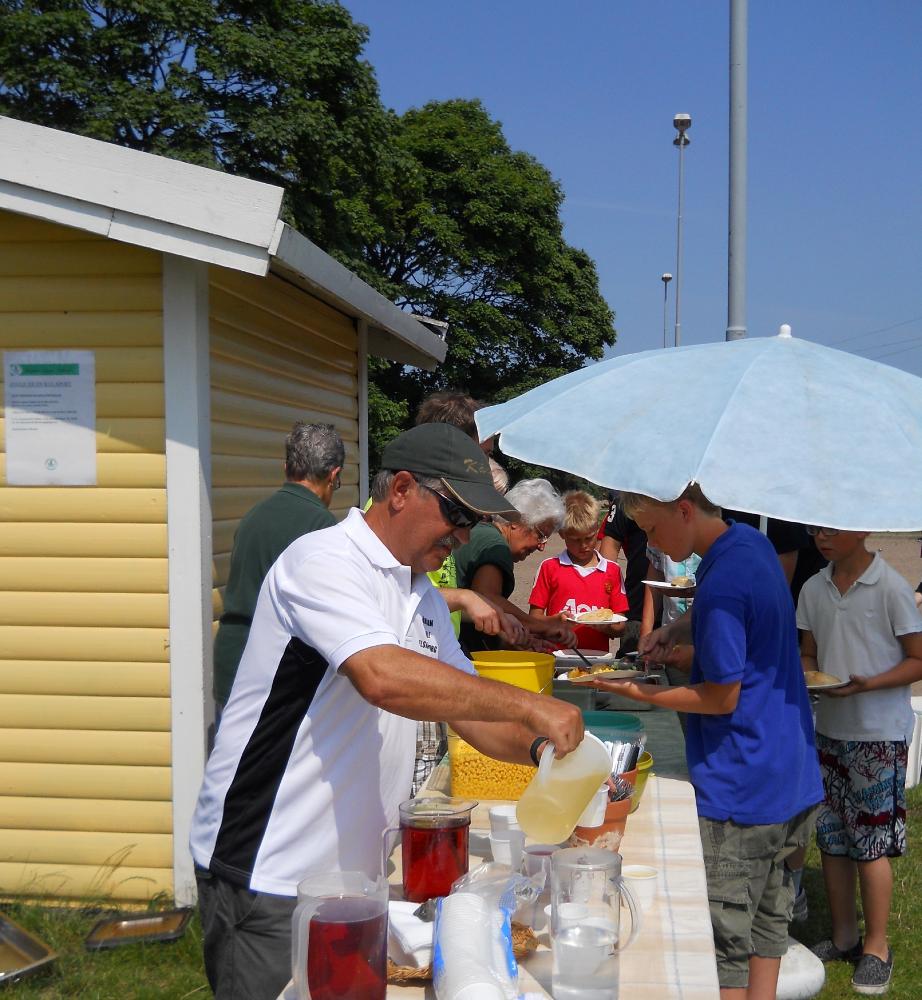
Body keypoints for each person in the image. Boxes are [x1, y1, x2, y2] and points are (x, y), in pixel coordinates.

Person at [190, 423, 584, 1000]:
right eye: (456, 512)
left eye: (474, 521)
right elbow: (382, 676)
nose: (462, 534)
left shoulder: (419, 592)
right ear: (401, 488)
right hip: (271, 872)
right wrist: (530, 705)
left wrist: (544, 750)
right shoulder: (322, 559)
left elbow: (466, 708)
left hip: (355, 882)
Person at [589, 485, 823, 999]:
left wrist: (640, 691)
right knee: (769, 922)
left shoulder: (723, 582)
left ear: (685, 511)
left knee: (724, 946)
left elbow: (721, 698)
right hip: (792, 772)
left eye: (651, 530)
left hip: (742, 786)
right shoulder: (747, 544)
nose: (650, 542)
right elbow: (737, 618)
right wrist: (680, 633)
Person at [796, 526, 922, 994]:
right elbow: (808, 652)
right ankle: (845, 935)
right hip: (829, 728)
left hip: (877, 735)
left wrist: (867, 684)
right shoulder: (813, 587)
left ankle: (877, 946)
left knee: (871, 843)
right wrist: (812, 675)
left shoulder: (889, 586)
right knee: (832, 837)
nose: (821, 537)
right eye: (815, 529)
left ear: (862, 528)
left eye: (831, 528)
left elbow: (918, 658)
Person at [212, 422, 343, 716]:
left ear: (286, 466)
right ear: (333, 475)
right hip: (271, 672)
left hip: (232, 660)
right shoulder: (321, 525)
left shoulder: (254, 516)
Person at [453, 478, 577, 653]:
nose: (542, 546)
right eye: (540, 535)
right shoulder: (496, 545)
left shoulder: (481, 532)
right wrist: (538, 625)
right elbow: (486, 596)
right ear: (515, 522)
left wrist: (526, 633)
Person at [528, 490, 628, 651]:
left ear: (597, 529)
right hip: (557, 656)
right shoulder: (549, 567)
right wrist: (554, 622)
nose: (584, 546)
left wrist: (605, 627)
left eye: (589, 538)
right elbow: (534, 619)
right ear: (562, 534)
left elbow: (620, 625)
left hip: (597, 659)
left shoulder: (611, 570)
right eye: (576, 540)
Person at [598, 497, 649, 654]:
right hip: (637, 607)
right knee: (631, 668)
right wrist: (606, 600)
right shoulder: (627, 497)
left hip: (682, 607)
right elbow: (610, 546)